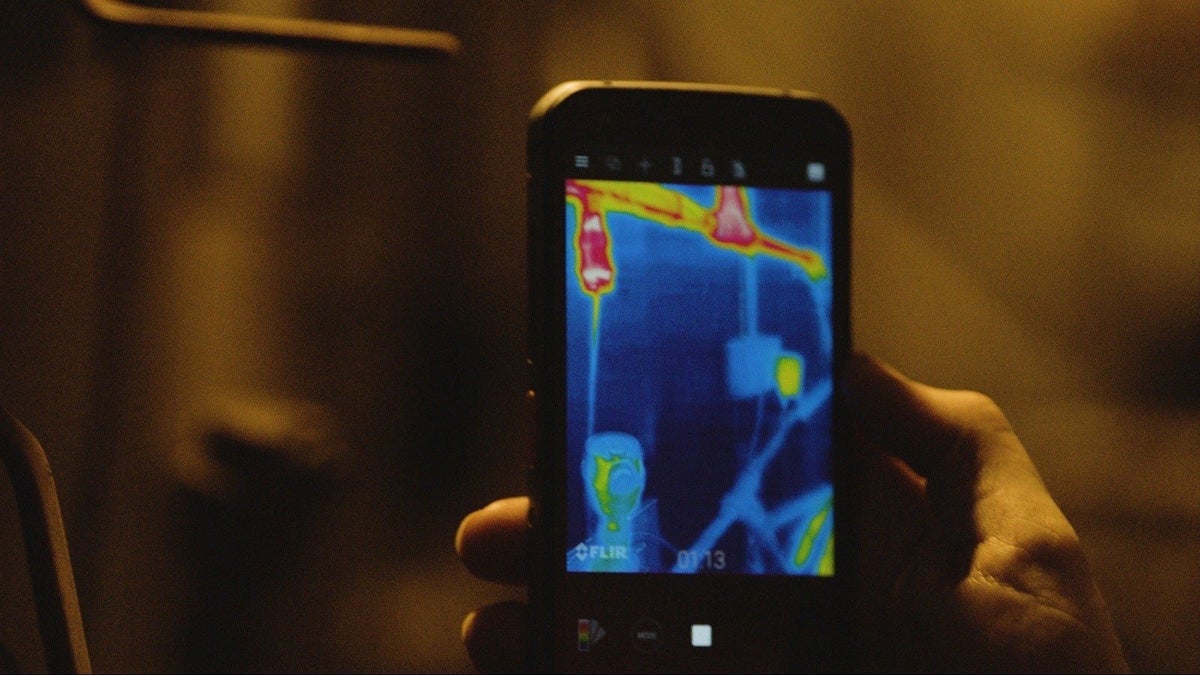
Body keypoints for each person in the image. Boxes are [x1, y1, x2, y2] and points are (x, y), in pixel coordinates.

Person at [455, 352, 1130, 673]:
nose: (617, 478)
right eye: (603, 466)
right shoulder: (610, 553)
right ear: (583, 474)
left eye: (626, 463)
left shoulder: (703, 537)